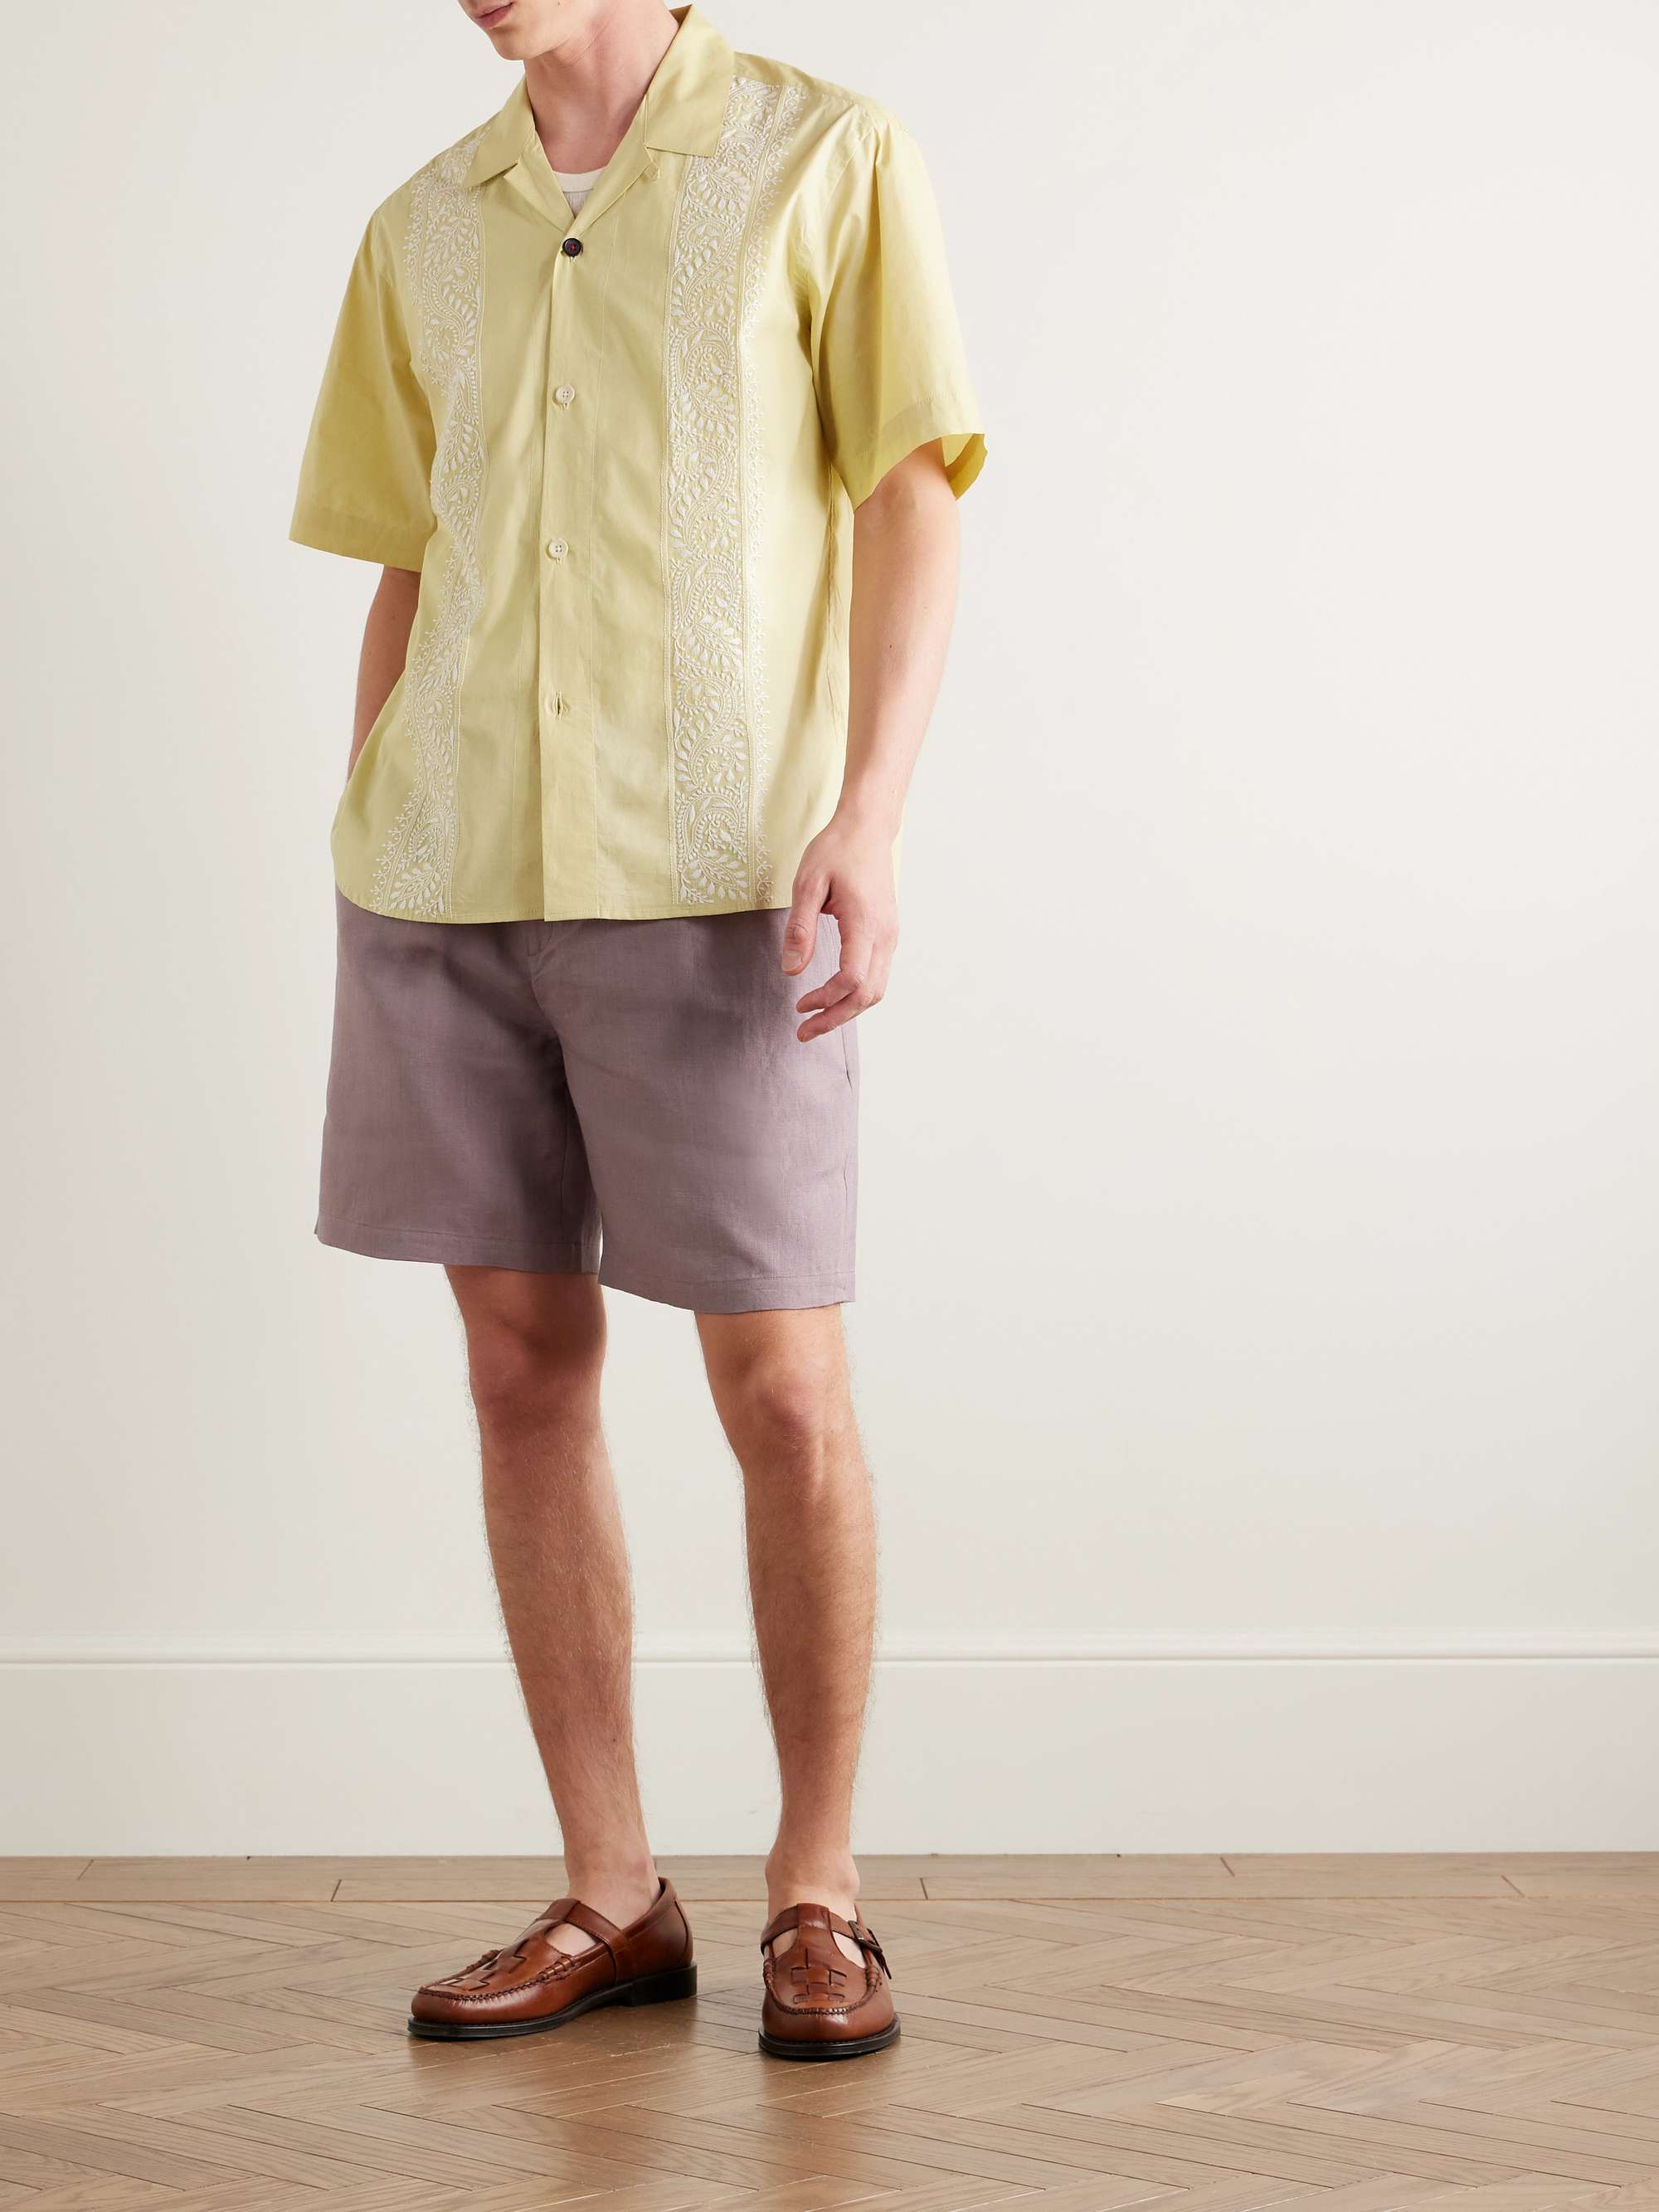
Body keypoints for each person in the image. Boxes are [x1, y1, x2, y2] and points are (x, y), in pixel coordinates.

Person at [291, 0, 984, 2059]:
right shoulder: (425, 222)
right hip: (447, 879)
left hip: (718, 870)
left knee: (782, 1387)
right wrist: (366, 819)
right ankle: (612, 1893)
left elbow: (913, 495)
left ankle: (817, 1894)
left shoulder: (824, 160)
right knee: (520, 1373)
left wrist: (870, 816)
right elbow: (409, 558)